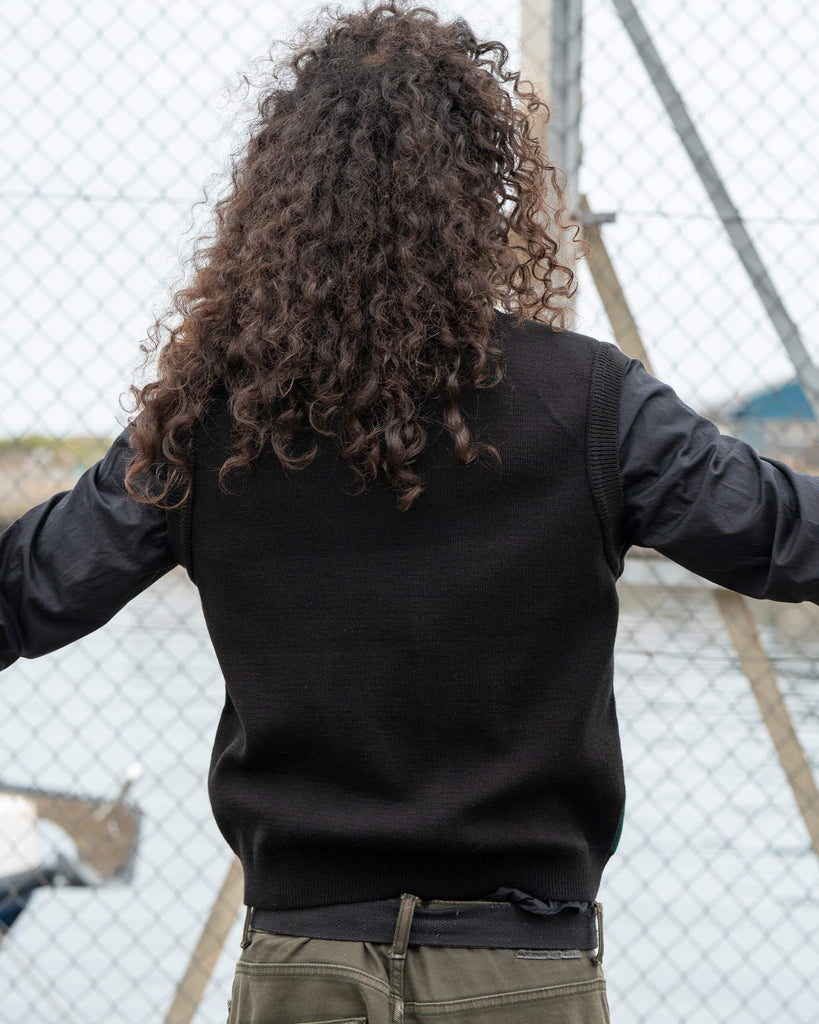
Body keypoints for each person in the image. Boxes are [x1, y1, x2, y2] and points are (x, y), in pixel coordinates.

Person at [1, 3, 818, 1022]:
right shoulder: (593, 405)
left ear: (280, 198)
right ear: (481, 195)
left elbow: (26, 593)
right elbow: (790, 535)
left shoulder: (212, 421)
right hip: (522, 971)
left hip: (301, 964)